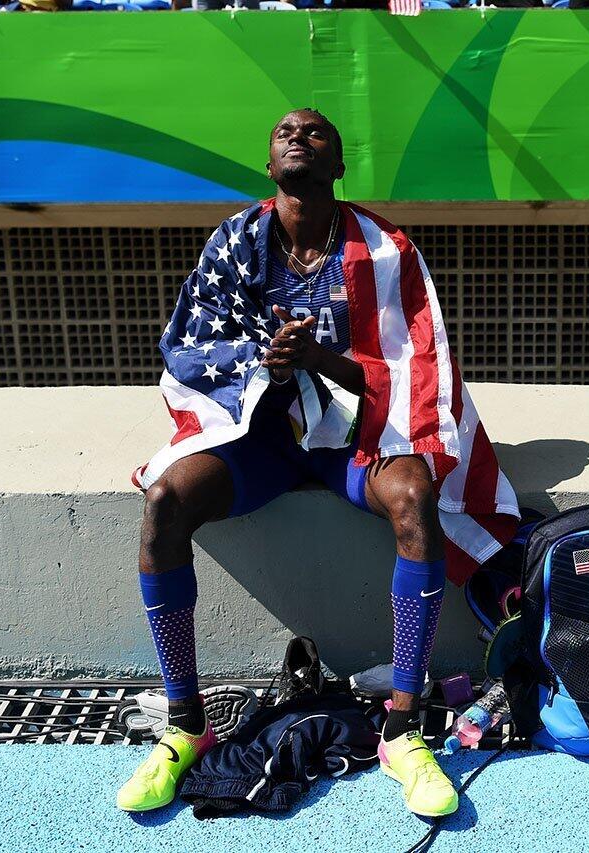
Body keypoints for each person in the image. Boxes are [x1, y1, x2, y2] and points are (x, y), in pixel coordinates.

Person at [116, 108, 518, 818]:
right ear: (270, 167)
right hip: (261, 437)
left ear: (337, 166)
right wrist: (262, 362)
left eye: (316, 132)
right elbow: (186, 345)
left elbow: (414, 369)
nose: (298, 135)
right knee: (165, 503)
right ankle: (186, 723)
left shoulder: (387, 251)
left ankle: (400, 725)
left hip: (348, 439)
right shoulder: (235, 243)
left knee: (415, 494)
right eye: (284, 132)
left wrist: (318, 359)